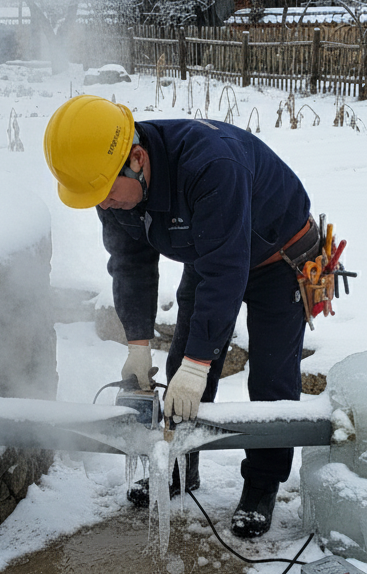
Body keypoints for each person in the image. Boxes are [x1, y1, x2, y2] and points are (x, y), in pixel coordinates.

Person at [43, 94, 320, 537]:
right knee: (181, 369)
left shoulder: (211, 165)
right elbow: (131, 264)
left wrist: (200, 362)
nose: (106, 204)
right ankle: (177, 464)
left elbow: (228, 270)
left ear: (137, 158)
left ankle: (262, 484)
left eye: (109, 193)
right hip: (210, 250)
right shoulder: (107, 179)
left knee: (272, 377)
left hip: (279, 257)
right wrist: (137, 344)